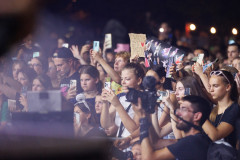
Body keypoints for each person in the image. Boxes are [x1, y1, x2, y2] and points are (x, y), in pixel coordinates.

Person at [134, 95, 211, 160]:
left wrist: (142, 119)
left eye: (183, 109)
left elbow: (148, 158)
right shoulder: (198, 139)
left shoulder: (191, 142)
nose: (177, 112)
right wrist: (147, 114)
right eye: (179, 108)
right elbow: (155, 142)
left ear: (196, 116)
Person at [101, 63, 144, 140]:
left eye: (127, 79)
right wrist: (105, 102)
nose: (123, 82)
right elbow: (105, 124)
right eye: (122, 79)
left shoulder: (143, 98)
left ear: (139, 80)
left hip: (135, 145)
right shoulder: (121, 97)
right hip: (120, 143)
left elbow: (134, 130)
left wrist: (118, 105)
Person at [203, 70, 240, 148]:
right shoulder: (213, 110)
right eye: (210, 86)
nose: (211, 90)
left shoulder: (235, 109)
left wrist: (197, 113)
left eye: (215, 86)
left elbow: (215, 136)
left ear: (228, 87)